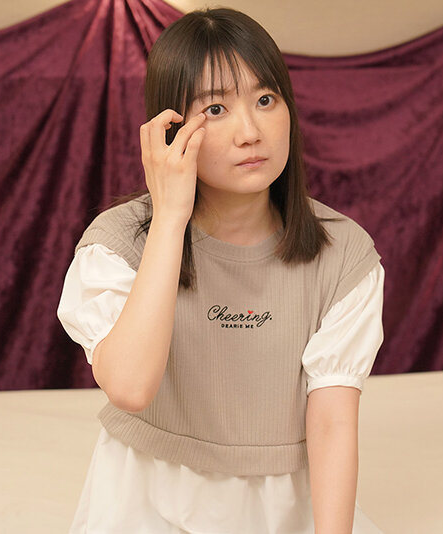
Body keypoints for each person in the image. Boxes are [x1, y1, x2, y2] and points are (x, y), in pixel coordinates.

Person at [57, 7, 385, 533]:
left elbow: (332, 424)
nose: (250, 132)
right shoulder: (118, 244)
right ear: (170, 129)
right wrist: (170, 217)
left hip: (284, 512)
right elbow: (130, 388)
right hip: (144, 503)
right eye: (215, 109)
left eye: (265, 100)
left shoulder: (343, 254)